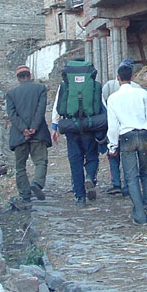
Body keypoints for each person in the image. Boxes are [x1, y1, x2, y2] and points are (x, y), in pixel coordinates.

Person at [106, 62, 147, 225]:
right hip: (144, 135)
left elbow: (113, 126)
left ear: (118, 79)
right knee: (146, 172)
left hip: (126, 137)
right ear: (133, 77)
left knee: (131, 177)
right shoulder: (142, 93)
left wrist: (112, 146)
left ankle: (139, 213)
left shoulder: (113, 98)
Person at [51, 62, 105, 207]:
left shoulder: (65, 85)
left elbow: (58, 106)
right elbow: (101, 105)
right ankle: (90, 176)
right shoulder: (94, 84)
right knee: (92, 156)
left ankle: (80, 197)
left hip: (71, 127)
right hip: (89, 125)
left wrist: (54, 127)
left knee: (75, 161)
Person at [5, 64, 51, 208]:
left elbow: (12, 115)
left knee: (20, 167)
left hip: (19, 136)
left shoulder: (11, 94)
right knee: (41, 161)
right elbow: (41, 110)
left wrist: (24, 129)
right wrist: (33, 128)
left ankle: (25, 195)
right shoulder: (40, 89)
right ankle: (37, 183)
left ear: (18, 78)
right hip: (38, 133)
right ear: (30, 76)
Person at [101, 58, 141, 196]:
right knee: (130, 160)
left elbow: (104, 104)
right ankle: (129, 186)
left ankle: (116, 183)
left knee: (113, 156)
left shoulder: (109, 86)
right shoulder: (138, 89)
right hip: (132, 129)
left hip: (115, 128)